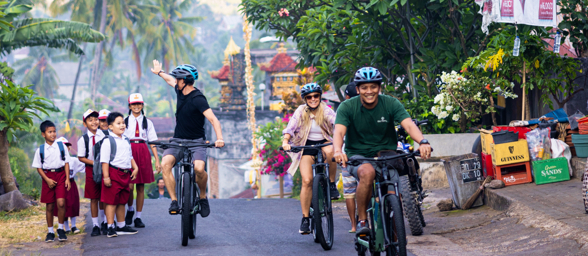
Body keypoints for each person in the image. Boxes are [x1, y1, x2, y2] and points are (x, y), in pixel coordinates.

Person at [333, 67, 432, 234]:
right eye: (364, 87)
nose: (369, 91)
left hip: (386, 154)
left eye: (373, 87)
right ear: (357, 89)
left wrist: (422, 141)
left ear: (379, 88)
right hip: (359, 155)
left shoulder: (390, 103)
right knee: (367, 173)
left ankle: (394, 227)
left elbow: (408, 124)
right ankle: (363, 221)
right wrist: (337, 150)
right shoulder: (347, 107)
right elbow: (339, 131)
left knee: (395, 182)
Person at [150, 60, 225, 217]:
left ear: (184, 81)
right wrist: (159, 72)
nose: (175, 81)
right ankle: (174, 201)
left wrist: (219, 138)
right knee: (165, 164)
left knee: (198, 168)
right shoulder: (179, 90)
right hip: (178, 141)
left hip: (197, 142)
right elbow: (169, 80)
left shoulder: (198, 98)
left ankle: (203, 198)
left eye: (178, 79)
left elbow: (213, 120)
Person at [281, 82, 339, 235]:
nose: (313, 99)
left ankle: (331, 184)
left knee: (332, 152)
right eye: (309, 97)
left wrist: (342, 132)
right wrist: (285, 141)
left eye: (316, 96)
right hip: (306, 146)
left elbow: (336, 122)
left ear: (320, 97)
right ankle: (305, 218)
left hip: (325, 142)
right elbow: (291, 127)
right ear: (305, 99)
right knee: (307, 181)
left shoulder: (325, 110)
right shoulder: (301, 111)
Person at [123, 93, 161, 228]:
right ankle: (130, 209)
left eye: (139, 104)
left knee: (140, 186)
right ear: (129, 106)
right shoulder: (124, 121)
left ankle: (138, 216)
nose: (136, 106)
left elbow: (152, 142)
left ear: (142, 105)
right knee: (129, 185)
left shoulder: (147, 122)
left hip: (143, 150)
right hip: (129, 150)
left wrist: (157, 160)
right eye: (134, 104)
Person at [100, 112, 139, 237]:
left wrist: (135, 167)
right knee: (111, 202)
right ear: (110, 127)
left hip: (125, 173)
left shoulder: (126, 139)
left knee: (122, 201)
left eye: (123, 123)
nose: (122, 125)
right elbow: (104, 161)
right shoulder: (108, 141)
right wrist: (106, 177)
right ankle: (110, 226)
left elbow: (130, 156)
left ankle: (121, 225)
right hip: (113, 173)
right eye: (118, 123)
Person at [32, 120, 71, 242]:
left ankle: (60, 229)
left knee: (61, 203)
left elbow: (66, 163)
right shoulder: (40, 150)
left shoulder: (61, 146)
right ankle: (50, 232)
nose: (53, 134)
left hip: (61, 176)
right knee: (49, 206)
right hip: (47, 176)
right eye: (50, 132)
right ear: (43, 134)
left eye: (54, 131)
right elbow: (39, 167)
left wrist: (67, 179)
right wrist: (47, 180)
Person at [76, 109, 107, 236]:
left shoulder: (105, 136)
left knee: (104, 197)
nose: (94, 122)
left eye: (96, 119)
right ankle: (95, 225)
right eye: (90, 120)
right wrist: (94, 163)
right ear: (85, 124)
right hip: (91, 169)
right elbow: (81, 157)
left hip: (104, 168)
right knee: (94, 198)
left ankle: (105, 222)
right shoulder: (83, 139)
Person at [53, 137, 85, 234]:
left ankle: (74, 226)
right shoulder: (55, 161)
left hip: (71, 183)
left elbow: (84, 166)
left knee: (73, 204)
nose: (65, 148)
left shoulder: (74, 160)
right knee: (63, 205)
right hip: (60, 184)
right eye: (62, 146)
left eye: (66, 146)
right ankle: (66, 227)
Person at [342, 81, 359, 233]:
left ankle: (354, 225)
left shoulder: (345, 110)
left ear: (347, 96)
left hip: (346, 156)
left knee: (350, 192)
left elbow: (338, 135)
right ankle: (364, 220)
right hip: (360, 156)